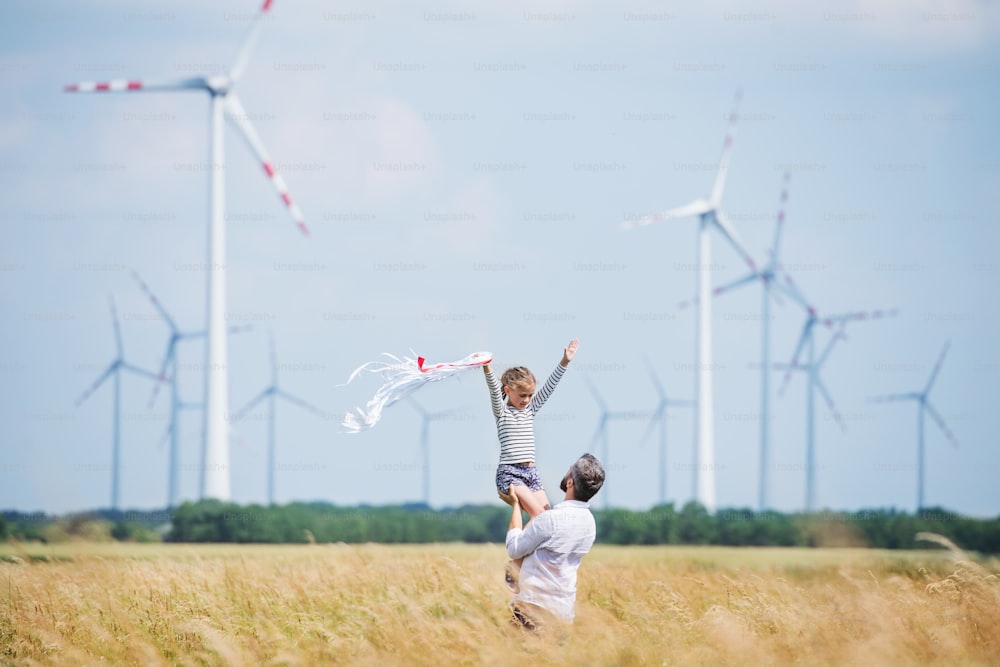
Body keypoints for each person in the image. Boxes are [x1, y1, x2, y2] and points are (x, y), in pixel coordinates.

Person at [503, 453, 606, 630]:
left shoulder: (551, 520)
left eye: (569, 470)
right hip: (564, 616)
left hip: (533, 612)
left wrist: (515, 506)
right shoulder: (590, 524)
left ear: (570, 482)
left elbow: (514, 548)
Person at [482, 338, 578, 519]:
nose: (526, 400)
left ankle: (531, 547)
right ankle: (519, 545)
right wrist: (487, 367)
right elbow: (494, 391)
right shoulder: (502, 412)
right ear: (508, 390)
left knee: (548, 518)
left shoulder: (529, 410)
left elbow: (550, 387)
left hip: (531, 474)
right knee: (539, 515)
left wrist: (565, 361)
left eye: (530, 395)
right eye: (522, 395)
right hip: (510, 474)